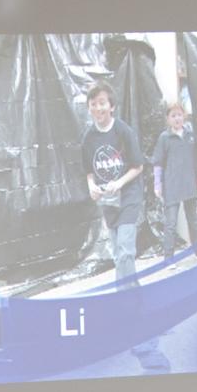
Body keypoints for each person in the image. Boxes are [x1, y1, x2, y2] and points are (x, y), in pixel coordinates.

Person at [81, 81, 144, 285]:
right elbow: (89, 172)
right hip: (108, 201)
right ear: (89, 107)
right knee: (118, 255)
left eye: (102, 103)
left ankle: (125, 301)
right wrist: (91, 186)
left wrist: (119, 182)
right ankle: (134, 294)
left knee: (126, 250)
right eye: (93, 103)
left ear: (111, 106)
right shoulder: (88, 139)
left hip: (129, 196)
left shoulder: (123, 131)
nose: (98, 108)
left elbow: (138, 166)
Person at [151, 102, 197, 261]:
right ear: (167, 119)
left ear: (184, 116)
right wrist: (157, 184)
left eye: (179, 115)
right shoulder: (164, 138)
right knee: (171, 224)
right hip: (172, 186)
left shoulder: (190, 135)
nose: (177, 118)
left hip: (189, 183)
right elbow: (158, 162)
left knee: (194, 220)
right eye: (173, 116)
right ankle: (169, 257)